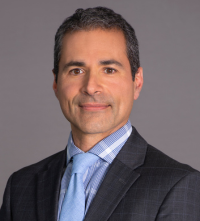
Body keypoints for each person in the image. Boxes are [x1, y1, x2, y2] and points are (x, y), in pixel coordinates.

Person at [0, 6, 200, 221]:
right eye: (76, 70)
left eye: (109, 70)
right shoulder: (21, 186)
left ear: (137, 81)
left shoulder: (177, 185)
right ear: (56, 83)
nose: (91, 87)